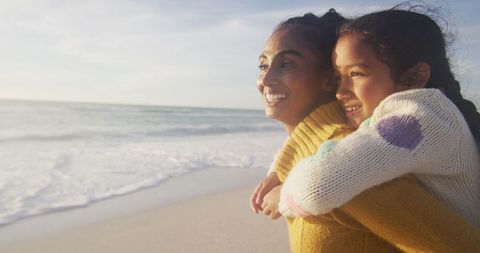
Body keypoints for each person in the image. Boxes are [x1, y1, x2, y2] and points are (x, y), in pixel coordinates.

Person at [251, 8, 480, 253]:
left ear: (413, 78)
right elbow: (336, 147)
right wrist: (281, 167)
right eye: (262, 65)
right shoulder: (393, 126)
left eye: (356, 74)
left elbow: (319, 183)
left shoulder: (416, 119)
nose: (341, 91)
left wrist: (284, 195)